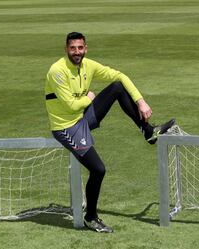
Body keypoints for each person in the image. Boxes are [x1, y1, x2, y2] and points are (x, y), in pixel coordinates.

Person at [45, 32, 175, 233]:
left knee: (116, 87)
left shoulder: (88, 65)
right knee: (98, 169)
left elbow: (120, 76)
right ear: (66, 50)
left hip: (82, 117)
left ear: (86, 48)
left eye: (80, 48)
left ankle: (149, 132)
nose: (77, 52)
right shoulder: (57, 71)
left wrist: (140, 101)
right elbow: (71, 105)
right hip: (66, 126)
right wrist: (89, 97)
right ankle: (91, 217)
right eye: (73, 48)